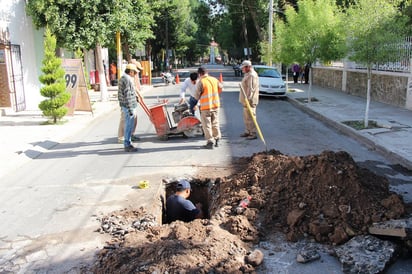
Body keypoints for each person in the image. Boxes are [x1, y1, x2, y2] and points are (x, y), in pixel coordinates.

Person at [194, 66, 222, 149]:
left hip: (206, 107)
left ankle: (210, 142)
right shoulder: (214, 79)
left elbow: (196, 95)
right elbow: (221, 88)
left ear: (199, 74)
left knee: (207, 125)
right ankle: (217, 139)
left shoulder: (201, 82)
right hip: (216, 106)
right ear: (207, 72)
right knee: (215, 123)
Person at [117, 60, 144, 143]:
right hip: (127, 105)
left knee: (133, 119)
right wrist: (130, 108)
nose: (136, 73)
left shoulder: (129, 78)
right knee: (125, 121)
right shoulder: (126, 79)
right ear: (131, 71)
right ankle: (123, 139)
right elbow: (128, 95)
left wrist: (137, 96)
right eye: (135, 72)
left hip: (129, 104)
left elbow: (132, 90)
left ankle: (130, 136)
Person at [239, 60, 259, 140]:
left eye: (243, 68)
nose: (242, 69)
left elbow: (251, 89)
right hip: (246, 100)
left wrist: (248, 99)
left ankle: (253, 133)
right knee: (246, 117)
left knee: (251, 117)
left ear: (248, 67)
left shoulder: (252, 75)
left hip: (250, 100)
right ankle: (248, 131)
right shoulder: (248, 74)